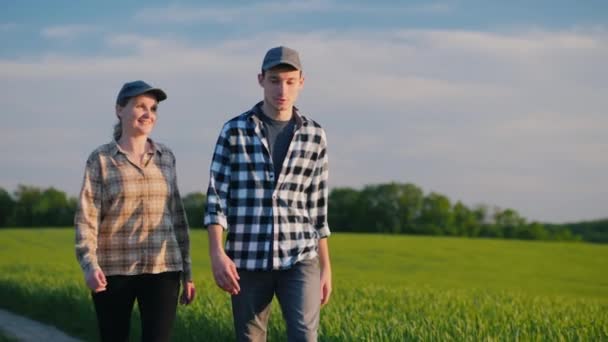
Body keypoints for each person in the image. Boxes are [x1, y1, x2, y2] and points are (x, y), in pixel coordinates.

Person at [204, 46, 332, 342]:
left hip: (299, 256)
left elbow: (317, 206)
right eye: (274, 80)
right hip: (247, 259)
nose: (282, 89)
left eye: (289, 81)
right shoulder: (234, 131)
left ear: (302, 81)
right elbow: (217, 197)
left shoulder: (315, 135)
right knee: (250, 338)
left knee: (304, 335)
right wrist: (216, 252)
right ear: (261, 80)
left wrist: (326, 267)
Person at [74, 80, 196, 342]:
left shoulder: (167, 157)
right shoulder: (101, 159)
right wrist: (89, 265)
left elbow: (177, 216)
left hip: (163, 268)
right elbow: (87, 218)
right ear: (120, 110)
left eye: (153, 108)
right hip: (113, 270)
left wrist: (187, 272)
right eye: (140, 106)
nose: (148, 113)